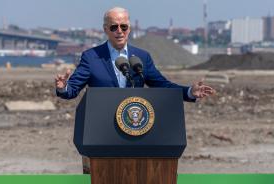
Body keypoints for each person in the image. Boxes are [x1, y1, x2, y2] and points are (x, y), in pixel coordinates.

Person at [55, 7, 215, 173]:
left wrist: (189, 91)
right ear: (105, 29)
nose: (119, 31)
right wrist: (63, 87)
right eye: (113, 27)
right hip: (99, 135)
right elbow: (72, 89)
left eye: (123, 26)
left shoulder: (141, 57)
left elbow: (161, 84)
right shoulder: (91, 57)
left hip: (135, 133)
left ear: (129, 28)